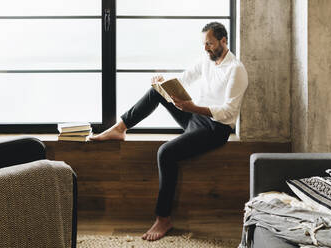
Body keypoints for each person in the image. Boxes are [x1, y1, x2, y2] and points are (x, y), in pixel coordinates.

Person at [90, 22, 248, 241]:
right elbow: (184, 79)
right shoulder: (206, 59)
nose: (205, 49)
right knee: (156, 92)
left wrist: (191, 108)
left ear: (224, 41)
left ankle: (163, 218)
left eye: (210, 44)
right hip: (196, 117)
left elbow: (228, 112)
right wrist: (164, 82)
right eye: (204, 44)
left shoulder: (236, 69)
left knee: (165, 153)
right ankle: (120, 128)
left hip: (215, 128)